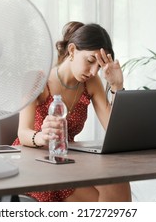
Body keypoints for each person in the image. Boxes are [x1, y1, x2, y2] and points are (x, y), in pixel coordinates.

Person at [13, 21, 132, 202]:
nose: (93, 72)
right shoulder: (37, 79)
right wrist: (42, 137)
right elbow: (23, 133)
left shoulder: (90, 83)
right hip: (35, 159)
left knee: (117, 181)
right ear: (72, 50)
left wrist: (117, 85)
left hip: (66, 158)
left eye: (99, 67)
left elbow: (115, 130)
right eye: (90, 61)